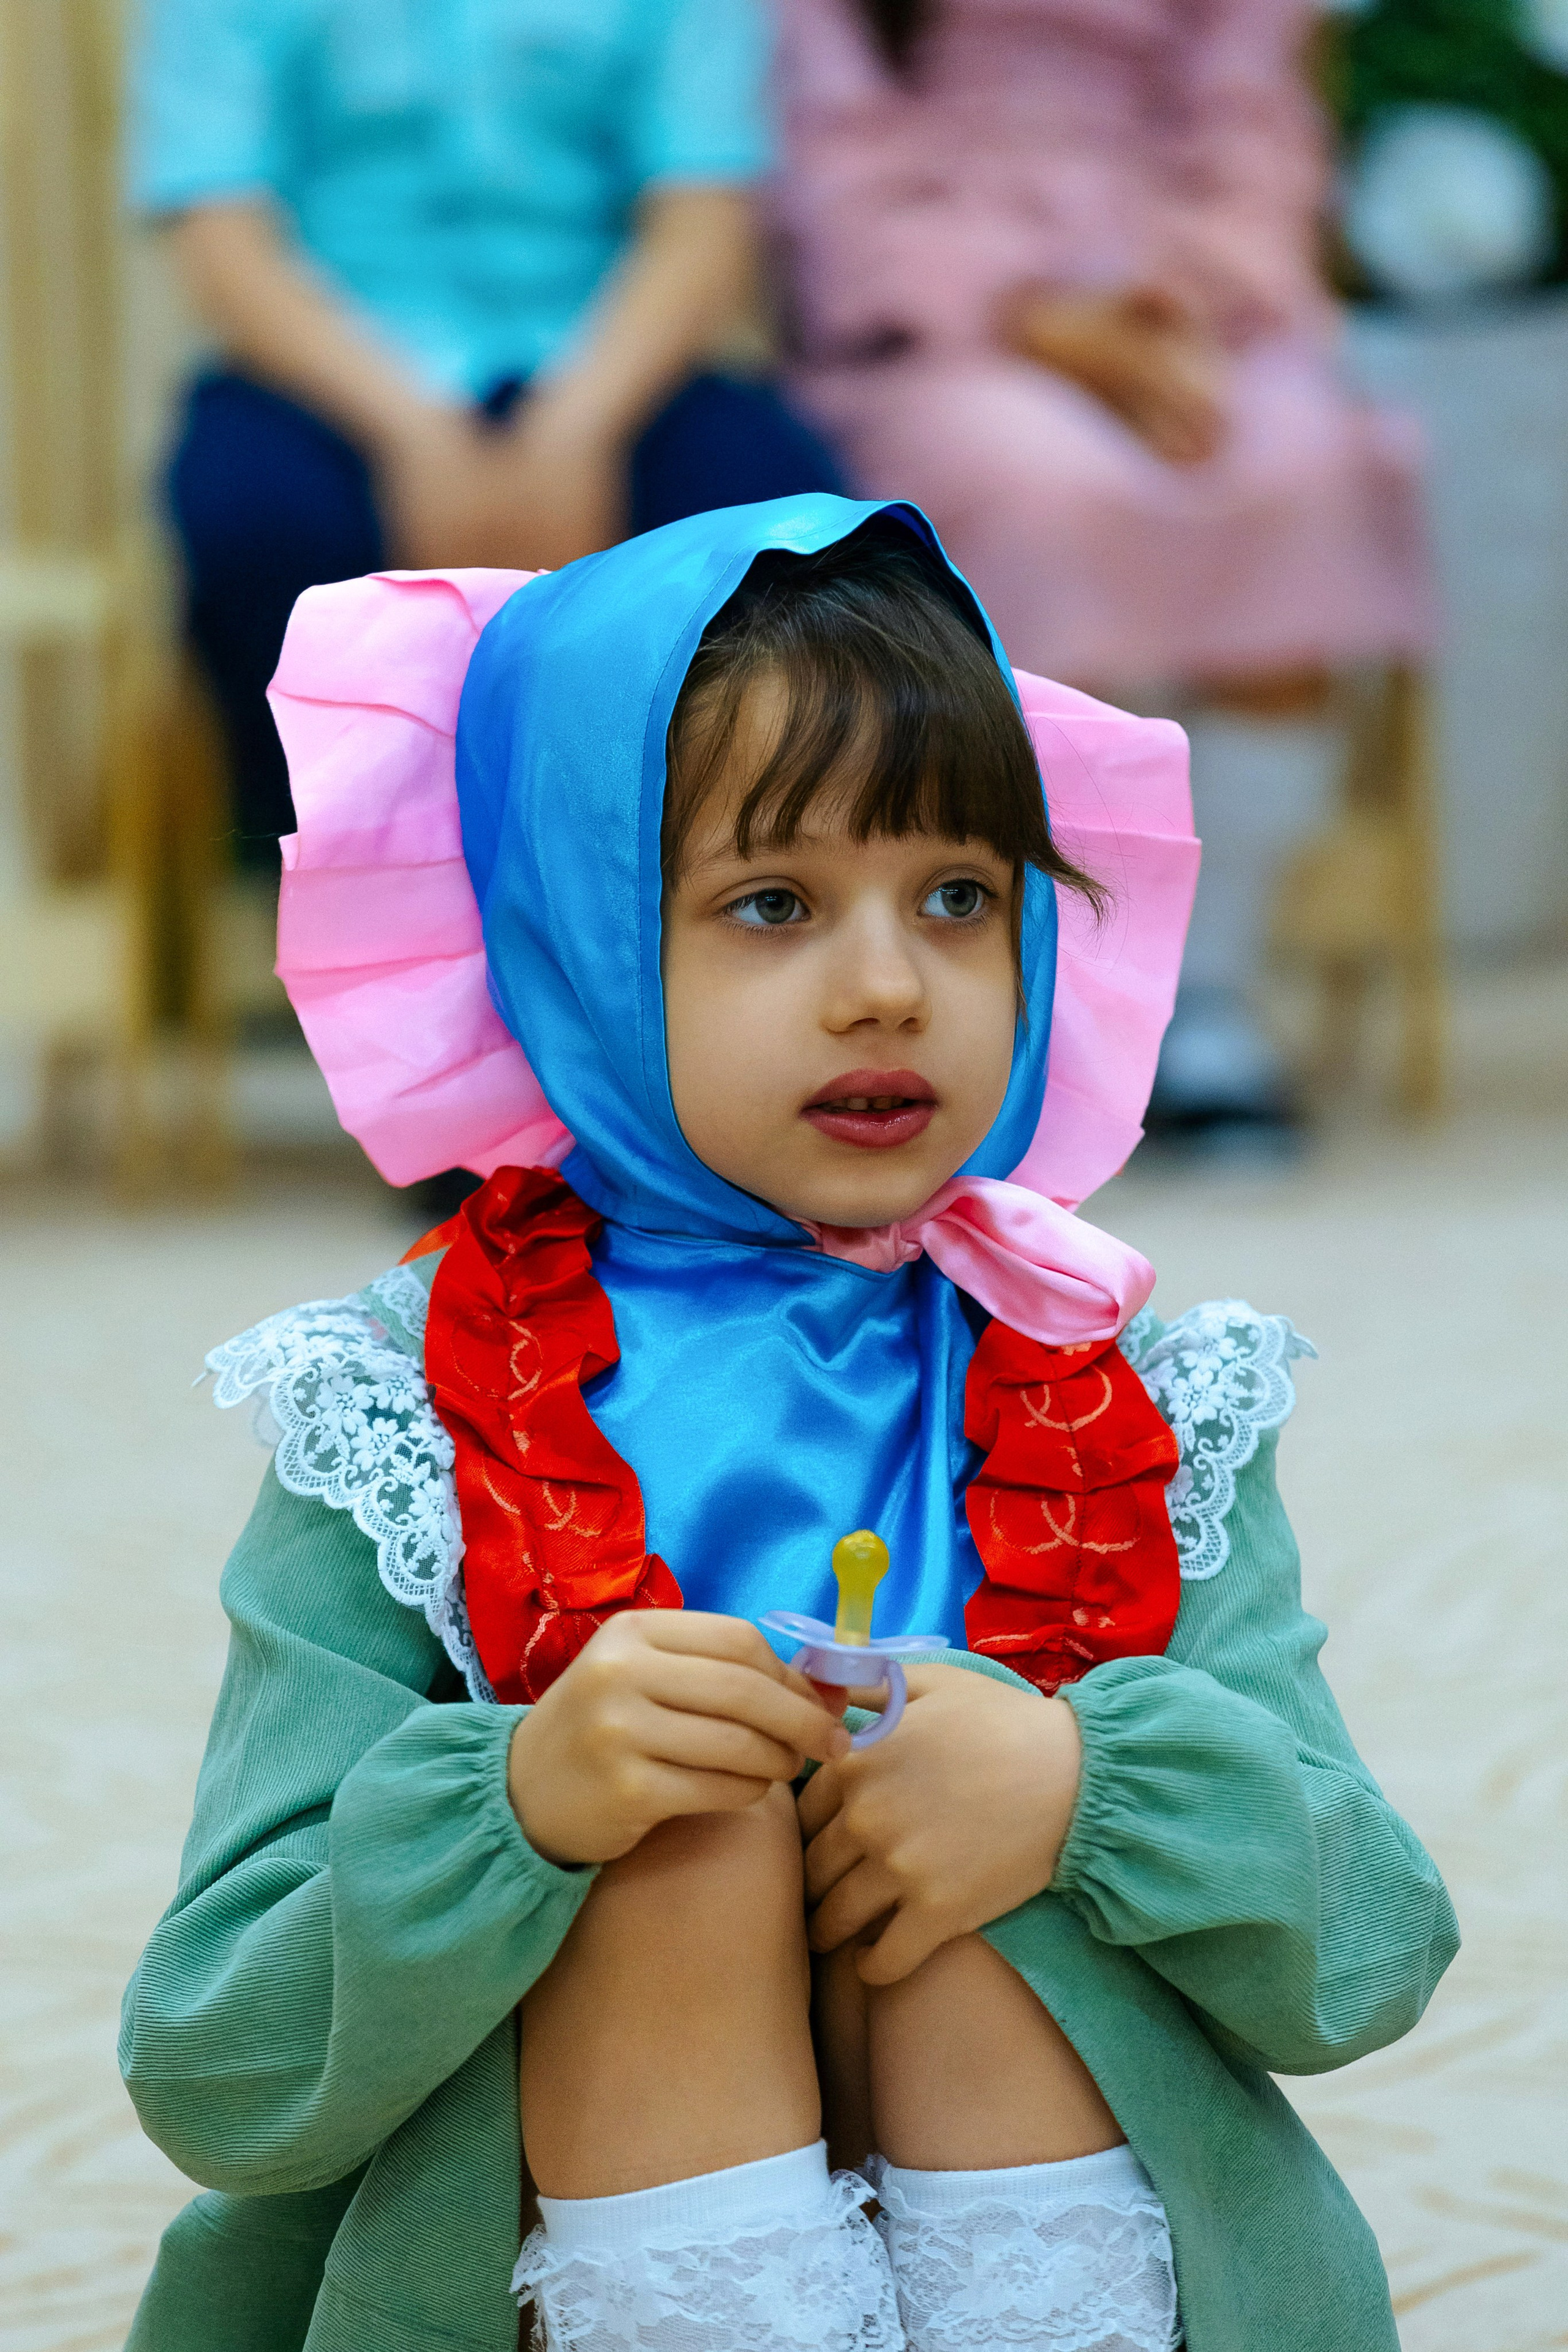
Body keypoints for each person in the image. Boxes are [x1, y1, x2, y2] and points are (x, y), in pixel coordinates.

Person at [119, 496, 1457, 2352]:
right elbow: (218, 2061)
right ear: (575, 942)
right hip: (567, 2235)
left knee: (975, 1798)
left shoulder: (1121, 1382)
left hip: (1044, 2213)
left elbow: (1367, 1951)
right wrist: (522, 1812)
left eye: (959, 897)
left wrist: (1079, 1793)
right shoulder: (409, 1403)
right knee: (671, 1844)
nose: (889, 985)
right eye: (772, 904)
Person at [775, 0, 1436, 1137]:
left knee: (1297, 475)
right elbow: (827, 158)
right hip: (946, 324)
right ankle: (1060, 995)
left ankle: (1205, 995)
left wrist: (1183, 299)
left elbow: (1256, 126)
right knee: (1047, 490)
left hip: (1190, 306)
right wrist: (1025, 312)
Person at [129, 0, 845, 864]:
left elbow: (701, 221)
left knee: (790, 537)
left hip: (610, 352)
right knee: (254, 524)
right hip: (331, 365)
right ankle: (337, 882)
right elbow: (224, 239)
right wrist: (415, 439)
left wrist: (577, 432)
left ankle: (711, 878)